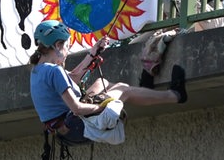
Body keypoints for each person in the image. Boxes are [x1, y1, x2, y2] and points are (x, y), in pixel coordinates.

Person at [29, 19, 187, 148]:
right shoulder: (54, 71)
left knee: (101, 82)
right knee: (123, 90)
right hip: (76, 127)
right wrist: (101, 106)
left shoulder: (37, 71)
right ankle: (175, 95)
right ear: (57, 46)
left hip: (65, 131)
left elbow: (72, 78)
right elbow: (77, 108)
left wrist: (93, 53)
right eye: (67, 47)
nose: (67, 53)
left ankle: (145, 92)